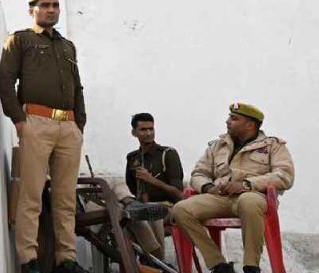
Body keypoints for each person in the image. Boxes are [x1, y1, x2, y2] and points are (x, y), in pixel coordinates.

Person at [0, 0, 87, 273]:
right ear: (32, 10)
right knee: (31, 195)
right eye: (45, 5)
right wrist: (19, 121)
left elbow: (78, 87)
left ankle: (67, 259)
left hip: (68, 126)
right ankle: (29, 259)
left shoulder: (67, 46)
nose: (51, 10)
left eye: (55, 5)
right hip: (36, 122)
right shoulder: (20, 40)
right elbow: (5, 82)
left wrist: (79, 124)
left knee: (65, 197)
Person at [171, 103, 295, 273]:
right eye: (229, 117)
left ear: (250, 125)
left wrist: (247, 184)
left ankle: (251, 266)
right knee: (180, 209)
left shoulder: (273, 146)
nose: (227, 121)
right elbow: (199, 173)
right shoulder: (217, 146)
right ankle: (219, 265)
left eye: (234, 118)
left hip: (253, 196)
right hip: (219, 197)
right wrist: (208, 187)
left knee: (248, 201)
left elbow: (284, 176)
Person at [124, 112, 184, 262]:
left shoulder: (168, 154)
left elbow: (178, 194)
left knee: (152, 212)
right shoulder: (132, 158)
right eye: (143, 130)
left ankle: (155, 260)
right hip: (141, 207)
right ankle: (154, 259)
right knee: (129, 215)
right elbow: (131, 187)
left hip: (169, 208)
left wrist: (152, 180)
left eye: (151, 129)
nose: (149, 133)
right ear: (134, 133)